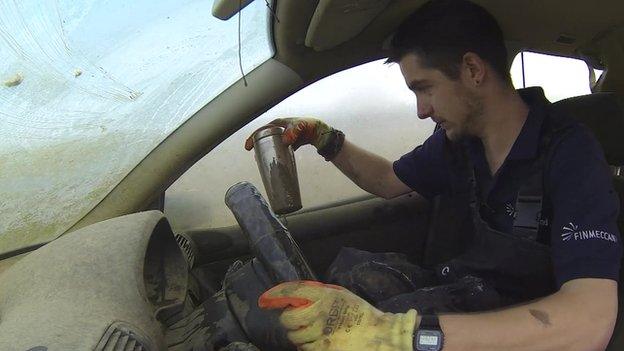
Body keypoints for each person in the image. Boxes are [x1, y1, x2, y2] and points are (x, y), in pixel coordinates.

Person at [245, 1, 622, 350]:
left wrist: (398, 336)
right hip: (470, 290)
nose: (422, 110)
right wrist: (325, 139)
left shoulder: (570, 153)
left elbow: (590, 319)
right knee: (352, 275)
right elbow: (387, 181)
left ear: (473, 70)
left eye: (424, 89)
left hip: (529, 327)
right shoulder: (458, 141)